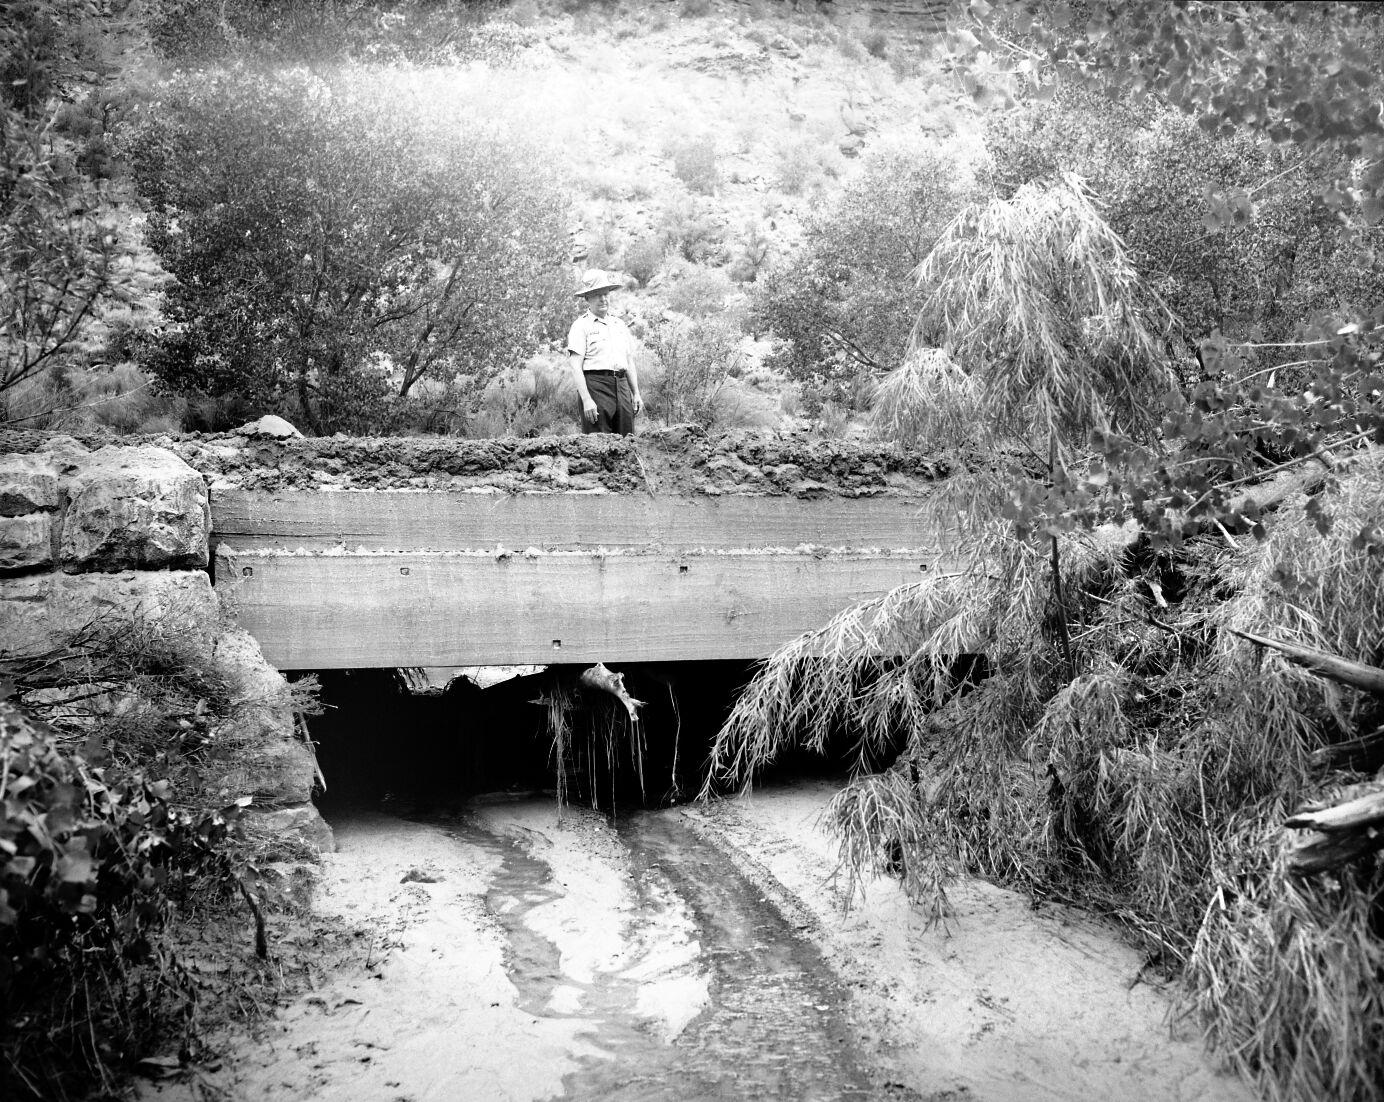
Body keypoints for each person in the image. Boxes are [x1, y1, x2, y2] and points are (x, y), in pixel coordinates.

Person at [566, 270, 642, 435]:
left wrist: (636, 393)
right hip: (596, 387)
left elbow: (629, 361)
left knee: (627, 441)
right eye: (597, 294)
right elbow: (575, 367)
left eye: (605, 294)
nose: (603, 299)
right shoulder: (581, 326)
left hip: (622, 387)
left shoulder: (619, 325)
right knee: (598, 445)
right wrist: (587, 400)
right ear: (587, 298)